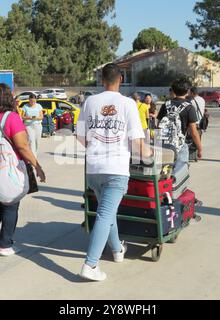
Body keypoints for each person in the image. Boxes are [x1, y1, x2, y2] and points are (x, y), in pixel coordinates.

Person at [76, 63, 151, 281]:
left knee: (108, 213)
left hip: (94, 169)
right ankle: (90, 265)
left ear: (102, 80)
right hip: (116, 169)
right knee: (105, 214)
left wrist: (95, 147)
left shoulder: (90, 101)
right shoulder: (128, 104)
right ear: (120, 78)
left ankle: (118, 250)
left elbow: (80, 136)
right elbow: (137, 144)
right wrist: (149, 155)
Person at [0, 83, 46, 257]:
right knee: (11, 205)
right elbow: (22, 146)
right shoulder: (12, 118)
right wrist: (37, 166)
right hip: (9, 170)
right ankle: (6, 245)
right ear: (7, 97)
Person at [157, 77, 203, 166]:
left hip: (164, 145)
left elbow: (158, 125)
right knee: (180, 173)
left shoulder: (165, 105)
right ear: (187, 91)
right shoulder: (189, 107)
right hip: (180, 145)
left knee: (165, 172)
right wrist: (199, 148)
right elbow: (193, 132)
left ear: (173, 90)